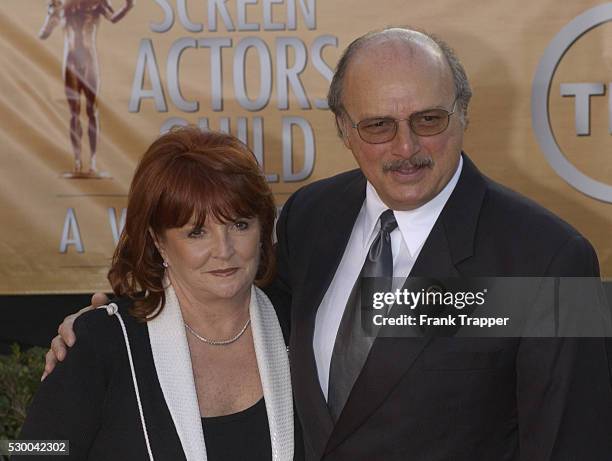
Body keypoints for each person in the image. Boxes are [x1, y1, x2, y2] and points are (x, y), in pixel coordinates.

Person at [44, 28, 612, 460]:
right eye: (377, 126)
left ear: (464, 113)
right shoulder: (315, 217)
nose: (405, 147)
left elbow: (574, 444)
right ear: (343, 127)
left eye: (429, 119)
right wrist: (110, 322)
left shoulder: (552, 260)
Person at [21, 127, 299, 460]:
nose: (223, 250)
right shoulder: (103, 341)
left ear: (263, 227)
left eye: (240, 225)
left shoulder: (300, 325)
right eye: (196, 232)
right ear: (158, 241)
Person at [39, 0, 134, 176]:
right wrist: (50, 15)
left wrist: (128, 6)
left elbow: (113, 18)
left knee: (92, 111)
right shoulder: (60, 3)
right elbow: (43, 34)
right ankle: (77, 163)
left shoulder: (98, 1)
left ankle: (92, 163)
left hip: (89, 61)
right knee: (74, 113)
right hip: (71, 62)